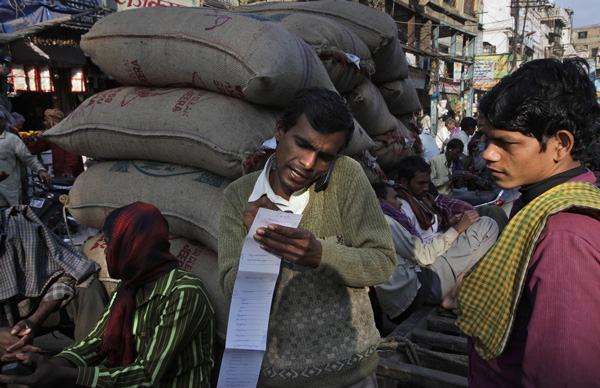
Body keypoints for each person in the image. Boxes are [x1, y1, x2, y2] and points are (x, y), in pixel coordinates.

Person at [218, 88, 396, 387]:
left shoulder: (346, 177)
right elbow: (229, 289)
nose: (309, 163)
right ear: (280, 131)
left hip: (351, 375)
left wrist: (320, 254)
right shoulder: (240, 197)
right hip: (276, 378)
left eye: (325, 156)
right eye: (302, 144)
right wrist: (261, 244)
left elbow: (383, 262)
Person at [455, 58, 600, 387]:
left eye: (506, 142)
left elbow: (561, 374)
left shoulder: (565, 238)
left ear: (560, 144)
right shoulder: (538, 205)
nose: (489, 153)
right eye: (487, 138)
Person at [0, 202, 216, 387]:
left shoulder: (183, 293)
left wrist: (63, 375)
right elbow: (94, 343)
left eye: (110, 243)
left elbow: (146, 376)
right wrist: (45, 364)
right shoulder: (128, 289)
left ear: (132, 248)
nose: (105, 250)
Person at [0, 205, 107, 364]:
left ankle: (81, 363)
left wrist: (35, 320)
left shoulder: (16, 226)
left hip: (23, 313)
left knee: (87, 287)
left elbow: (69, 272)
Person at [0, 110, 51, 206]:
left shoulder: (12, 139)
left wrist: (40, 170)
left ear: (3, 122)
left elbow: (28, 158)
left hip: (8, 192)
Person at [27, 109, 84, 178]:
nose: (44, 123)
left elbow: (72, 154)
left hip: (72, 175)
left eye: (46, 120)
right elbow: (37, 146)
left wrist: (68, 170)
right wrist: (22, 151)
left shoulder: (68, 133)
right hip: (61, 173)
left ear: (53, 121)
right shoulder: (52, 135)